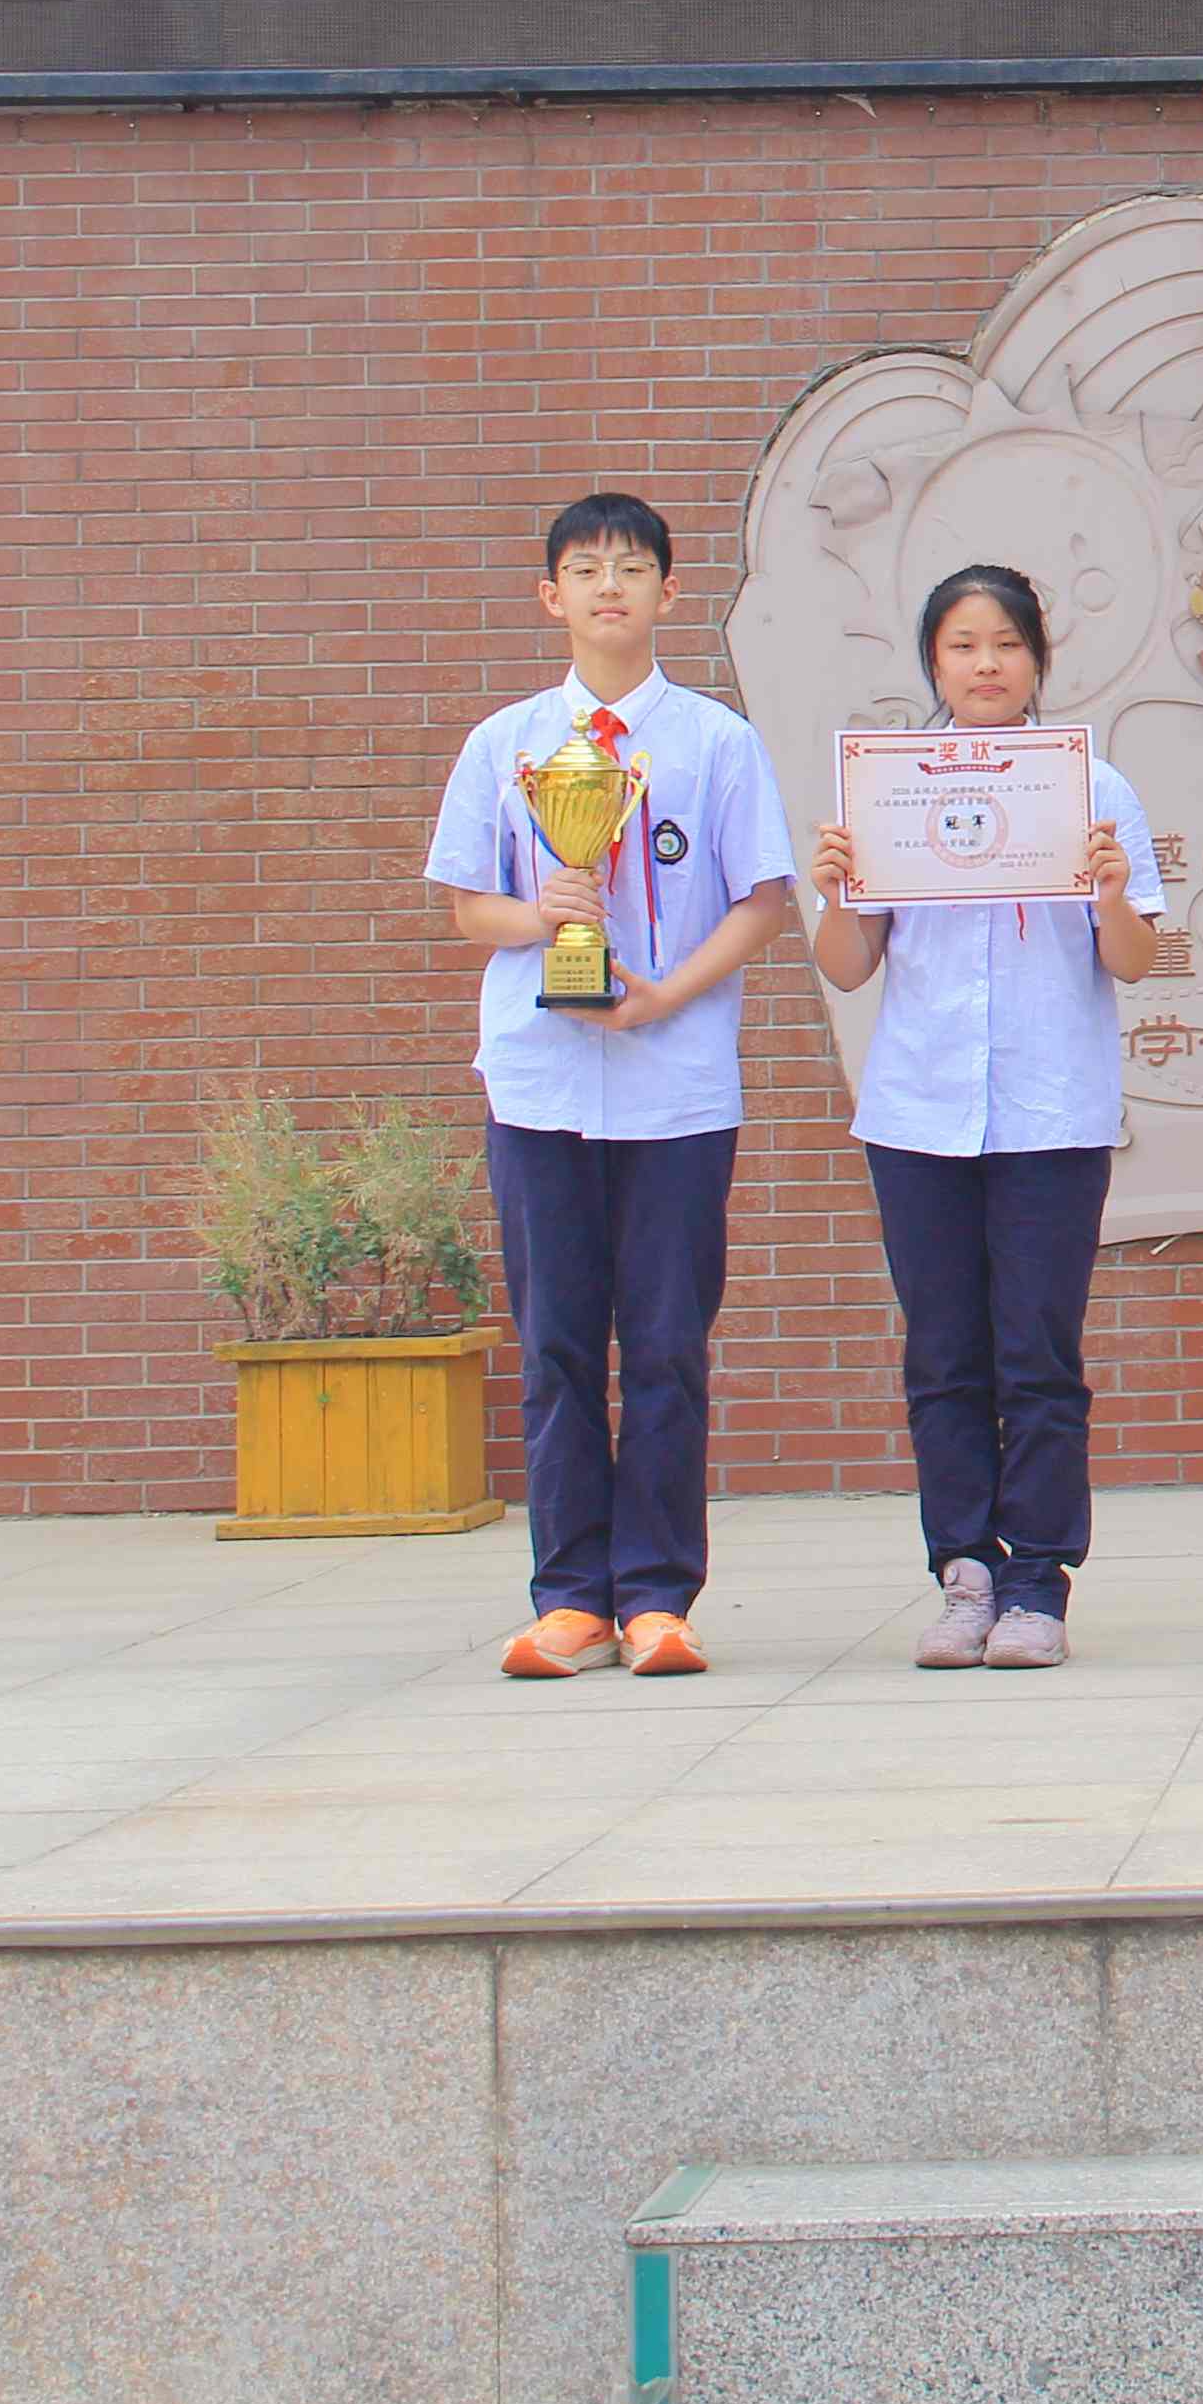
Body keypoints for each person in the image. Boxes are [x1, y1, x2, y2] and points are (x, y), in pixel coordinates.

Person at [422, 493, 800, 1683]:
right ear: (551, 597)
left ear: (667, 592)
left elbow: (762, 901)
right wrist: (542, 915)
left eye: (630, 569)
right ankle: (571, 1597)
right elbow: (466, 907)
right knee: (556, 1344)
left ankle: (658, 1597)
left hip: (674, 1086)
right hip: (540, 1084)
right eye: (584, 570)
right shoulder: (506, 743)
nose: (608, 588)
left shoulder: (715, 742)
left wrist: (664, 996)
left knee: (669, 1344)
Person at [803, 564, 1163, 1672]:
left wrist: (1108, 892)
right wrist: (838, 888)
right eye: (962, 646)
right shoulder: (889, 791)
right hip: (919, 1115)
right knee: (944, 1355)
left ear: (1037, 659)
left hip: (1051, 1113)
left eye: (1006, 643)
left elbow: (1136, 960)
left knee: (1037, 1354)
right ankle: (962, 1574)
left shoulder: (1094, 788)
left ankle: (1037, 1584)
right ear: (933, 663)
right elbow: (847, 967)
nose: (986, 664)